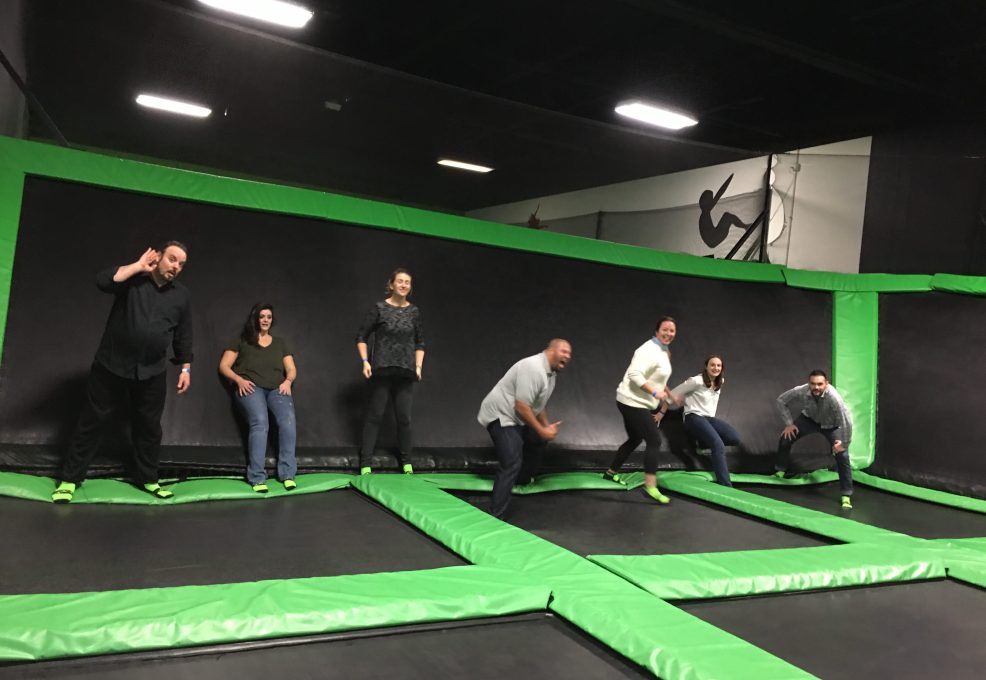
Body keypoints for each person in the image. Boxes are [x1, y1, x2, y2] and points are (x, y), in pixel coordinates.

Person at [51, 242, 192, 503]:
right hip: (112, 365)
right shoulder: (133, 279)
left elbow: (183, 333)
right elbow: (103, 281)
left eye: (181, 264)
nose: (176, 266)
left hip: (152, 371)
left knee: (149, 428)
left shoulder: (181, 296)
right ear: (159, 257)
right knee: (92, 421)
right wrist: (138, 266)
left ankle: (148, 479)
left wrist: (185, 366)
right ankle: (70, 479)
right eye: (172, 259)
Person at [477, 339, 572, 519]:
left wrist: (545, 426)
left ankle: (522, 479)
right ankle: (496, 516)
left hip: (516, 417)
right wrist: (543, 430)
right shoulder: (533, 368)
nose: (567, 357)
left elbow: (537, 404)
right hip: (500, 416)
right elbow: (521, 406)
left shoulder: (550, 374)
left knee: (537, 440)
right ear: (551, 350)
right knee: (512, 462)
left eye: (569, 354)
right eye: (564, 351)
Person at [219, 304, 298, 493]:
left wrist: (288, 381)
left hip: (276, 389)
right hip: (251, 387)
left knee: (288, 423)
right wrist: (239, 380)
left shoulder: (280, 343)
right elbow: (224, 365)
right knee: (260, 423)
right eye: (262, 316)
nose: (265, 320)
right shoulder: (241, 340)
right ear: (255, 318)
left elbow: (292, 369)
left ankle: (287, 474)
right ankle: (256, 477)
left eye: (269, 317)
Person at [356, 268, 425, 475]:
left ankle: (407, 462)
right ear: (392, 284)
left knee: (404, 418)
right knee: (375, 415)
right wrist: (365, 361)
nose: (404, 285)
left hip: (405, 371)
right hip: (382, 370)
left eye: (407, 282)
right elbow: (361, 336)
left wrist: (418, 367)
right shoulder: (380, 308)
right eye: (400, 281)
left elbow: (420, 342)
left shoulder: (414, 312)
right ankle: (366, 462)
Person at [603, 317, 678, 503]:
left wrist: (668, 392)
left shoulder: (663, 350)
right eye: (665, 330)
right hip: (631, 401)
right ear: (656, 331)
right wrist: (654, 392)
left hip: (638, 401)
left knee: (636, 438)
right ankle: (650, 486)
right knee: (654, 439)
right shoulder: (647, 350)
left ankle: (610, 472)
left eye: (672, 331)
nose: (668, 334)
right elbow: (634, 374)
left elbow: (659, 378)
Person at [775, 370, 854, 509]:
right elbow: (781, 400)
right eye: (813, 384)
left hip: (831, 425)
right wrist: (789, 423)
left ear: (826, 384)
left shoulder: (834, 398)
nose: (816, 387)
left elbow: (846, 421)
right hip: (809, 420)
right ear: (808, 383)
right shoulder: (801, 390)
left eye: (820, 384)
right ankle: (780, 470)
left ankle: (846, 494)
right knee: (786, 437)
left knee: (842, 454)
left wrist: (845, 444)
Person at [670, 355, 740, 487]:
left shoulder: (720, 381)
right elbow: (672, 393)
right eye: (712, 365)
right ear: (706, 367)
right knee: (717, 445)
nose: (716, 368)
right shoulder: (696, 381)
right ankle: (726, 486)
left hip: (708, 419)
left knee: (735, 438)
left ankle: (701, 444)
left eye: (718, 365)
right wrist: (662, 412)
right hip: (693, 417)